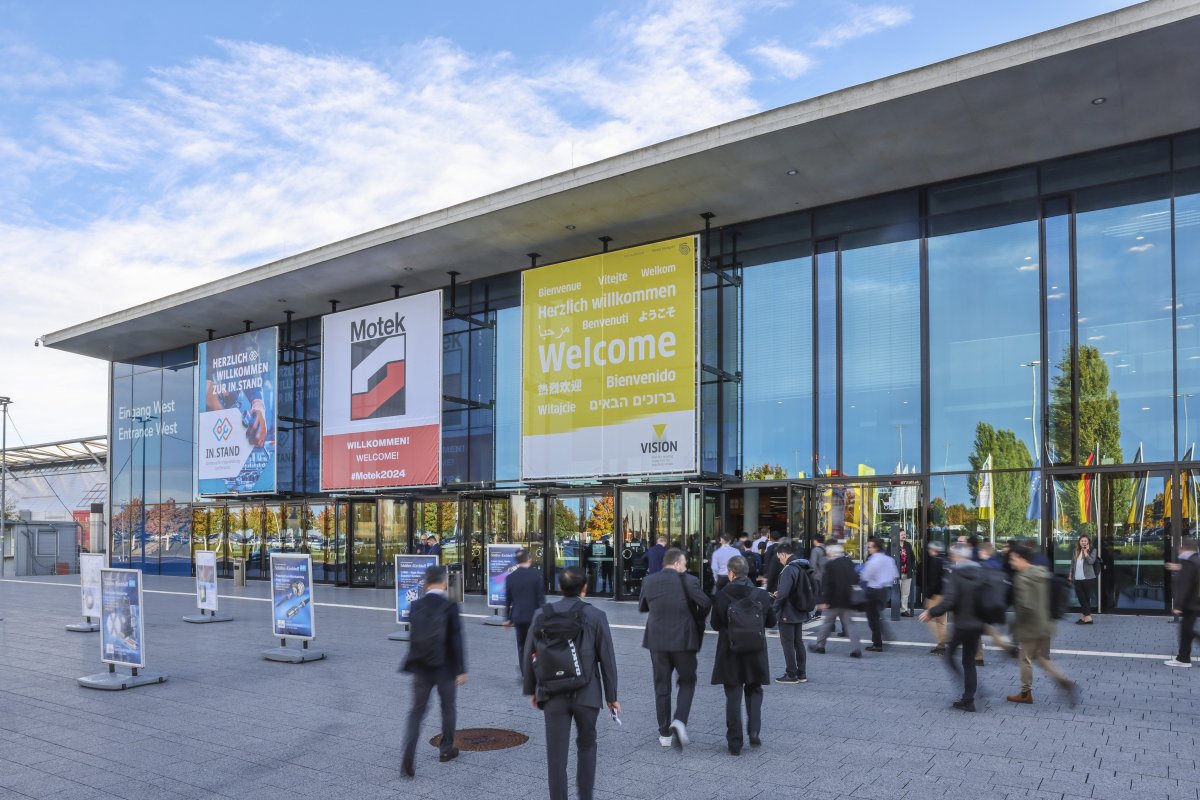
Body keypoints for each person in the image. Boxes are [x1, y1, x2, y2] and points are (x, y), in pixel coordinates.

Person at [523, 567, 619, 800]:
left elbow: (529, 653)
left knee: (556, 755)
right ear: (584, 588)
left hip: (552, 692)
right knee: (587, 745)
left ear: (559, 587)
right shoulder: (596, 615)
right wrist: (611, 697)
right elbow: (607, 658)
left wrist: (532, 689)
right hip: (587, 692)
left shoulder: (541, 614)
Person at [638, 547, 711, 748]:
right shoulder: (689, 581)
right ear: (677, 564)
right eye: (685, 564)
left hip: (656, 640)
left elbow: (643, 606)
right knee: (687, 681)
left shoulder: (649, 581)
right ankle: (679, 720)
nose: (686, 568)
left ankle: (664, 734)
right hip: (684, 640)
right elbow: (705, 602)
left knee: (661, 685)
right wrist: (697, 618)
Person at [400, 566, 467, 776]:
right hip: (445, 667)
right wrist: (461, 669)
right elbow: (456, 640)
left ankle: (408, 753)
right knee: (448, 707)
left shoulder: (415, 605)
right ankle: (446, 749)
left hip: (421, 666)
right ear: (444, 582)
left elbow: (414, 637)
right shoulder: (450, 606)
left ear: (426, 584)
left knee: (417, 710)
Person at [710, 555, 776, 754]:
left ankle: (734, 742)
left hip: (730, 651)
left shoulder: (721, 596)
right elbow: (771, 622)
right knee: (754, 689)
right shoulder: (761, 595)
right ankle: (754, 730)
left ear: (731, 573)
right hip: (755, 650)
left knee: (733, 695)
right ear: (747, 573)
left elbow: (715, 624)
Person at [1006, 544, 1078, 704]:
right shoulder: (1042, 572)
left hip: (1030, 626)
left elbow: (1024, 606)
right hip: (1046, 623)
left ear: (1022, 558)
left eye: (1013, 558)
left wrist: (1015, 627)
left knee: (1025, 659)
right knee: (1041, 658)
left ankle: (1025, 693)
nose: (1011, 562)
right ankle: (1064, 681)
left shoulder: (1021, 577)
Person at [921, 544, 986, 712]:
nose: (950, 558)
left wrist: (931, 612)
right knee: (969, 660)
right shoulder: (980, 571)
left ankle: (972, 694)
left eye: (952, 555)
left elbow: (949, 600)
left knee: (949, 657)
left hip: (963, 624)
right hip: (977, 623)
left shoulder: (956, 573)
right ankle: (970, 697)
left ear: (957, 556)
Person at [772, 542, 814, 683]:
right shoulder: (801, 565)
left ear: (783, 554)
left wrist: (774, 608)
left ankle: (791, 674)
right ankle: (802, 673)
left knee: (788, 644)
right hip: (799, 609)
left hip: (787, 612)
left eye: (779, 557)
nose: (779, 560)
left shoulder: (788, 569)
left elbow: (784, 593)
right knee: (798, 642)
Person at [810, 543, 862, 657]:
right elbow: (856, 579)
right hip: (848, 599)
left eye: (828, 555)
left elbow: (828, 585)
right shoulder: (849, 563)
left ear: (832, 554)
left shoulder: (830, 565)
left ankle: (820, 646)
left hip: (834, 601)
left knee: (827, 623)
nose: (828, 557)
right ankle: (856, 649)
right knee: (851, 624)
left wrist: (825, 601)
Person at [504, 548, 545, 670]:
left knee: (521, 645)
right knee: (534, 645)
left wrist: (507, 618)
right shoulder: (536, 576)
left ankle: (524, 671)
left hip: (518, 617)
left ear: (517, 561)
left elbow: (508, 600)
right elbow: (541, 600)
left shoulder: (510, 577)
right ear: (529, 559)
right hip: (534, 617)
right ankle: (534, 669)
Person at [1165, 538, 1200, 668]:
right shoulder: (1195, 560)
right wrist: (1179, 567)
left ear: (1184, 548)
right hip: (1195, 602)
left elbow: (1184, 586)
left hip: (1190, 603)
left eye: (1180, 547)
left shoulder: (1188, 563)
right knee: (1187, 631)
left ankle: (1183, 659)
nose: (1178, 550)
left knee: (1187, 631)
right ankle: (1183, 658)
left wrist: (1177, 606)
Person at [861, 538, 898, 652]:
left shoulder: (873, 560)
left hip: (873, 590)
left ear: (876, 548)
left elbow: (865, 576)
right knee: (877, 616)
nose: (868, 549)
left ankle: (877, 643)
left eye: (870, 547)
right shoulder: (888, 559)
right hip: (883, 591)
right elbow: (894, 574)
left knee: (873, 619)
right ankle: (881, 638)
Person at [918, 541, 949, 655]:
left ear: (933, 550)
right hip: (945, 594)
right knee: (942, 621)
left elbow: (934, 581)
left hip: (936, 595)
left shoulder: (935, 561)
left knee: (929, 618)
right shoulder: (945, 560)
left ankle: (943, 640)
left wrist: (928, 597)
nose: (928, 551)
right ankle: (941, 645)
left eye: (930, 549)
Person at [1069, 535, 1098, 624]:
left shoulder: (1093, 550)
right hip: (1077, 577)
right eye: (1082, 541)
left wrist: (1085, 552)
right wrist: (1070, 574)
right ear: (1079, 542)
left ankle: (1087, 618)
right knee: (1082, 599)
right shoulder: (1076, 550)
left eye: (1085, 541)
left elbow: (1091, 561)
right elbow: (1073, 563)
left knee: (1085, 599)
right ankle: (1085, 617)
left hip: (1088, 578)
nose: (1083, 542)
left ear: (1088, 542)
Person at [895, 530, 916, 616]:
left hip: (907, 572)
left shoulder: (908, 545)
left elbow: (913, 557)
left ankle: (904, 610)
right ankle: (895, 610)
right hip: (897, 573)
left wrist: (912, 568)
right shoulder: (893, 545)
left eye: (905, 534)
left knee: (905, 593)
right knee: (896, 593)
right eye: (902, 534)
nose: (904, 536)